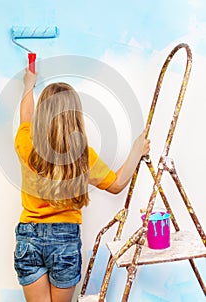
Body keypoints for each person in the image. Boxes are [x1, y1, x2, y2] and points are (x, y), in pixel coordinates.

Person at [14, 69, 150, 302]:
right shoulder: (82, 156)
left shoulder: (27, 144)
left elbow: (26, 119)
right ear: (74, 116)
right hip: (65, 239)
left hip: (30, 236)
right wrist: (136, 151)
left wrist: (29, 86)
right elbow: (117, 184)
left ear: (43, 115)